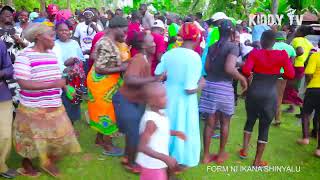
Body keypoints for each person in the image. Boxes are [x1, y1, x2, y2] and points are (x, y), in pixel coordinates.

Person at [13, 23, 81, 177]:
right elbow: (23, 83)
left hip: (54, 104)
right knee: (29, 139)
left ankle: (47, 161)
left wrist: (66, 88)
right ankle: (27, 164)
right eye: (51, 35)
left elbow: (56, 77)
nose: (54, 38)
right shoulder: (24, 55)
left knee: (55, 136)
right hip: (33, 107)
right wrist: (54, 84)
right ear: (38, 37)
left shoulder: (51, 54)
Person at [240, 30, 295, 166]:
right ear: (274, 41)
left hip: (254, 92)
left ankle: (245, 150)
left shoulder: (255, 53)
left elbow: (246, 71)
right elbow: (291, 74)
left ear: (261, 40)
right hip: (269, 94)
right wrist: (277, 75)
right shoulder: (282, 55)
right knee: (264, 127)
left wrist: (256, 72)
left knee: (250, 120)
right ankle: (257, 161)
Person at [113, 31, 165, 173]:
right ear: (143, 45)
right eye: (151, 41)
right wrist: (154, 79)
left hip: (135, 101)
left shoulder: (145, 59)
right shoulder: (139, 59)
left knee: (134, 131)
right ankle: (131, 163)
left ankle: (126, 157)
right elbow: (129, 79)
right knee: (134, 133)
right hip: (126, 100)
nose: (154, 43)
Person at [155, 22, 204, 169]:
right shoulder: (194, 57)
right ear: (196, 39)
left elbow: (158, 73)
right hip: (185, 100)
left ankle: (164, 156)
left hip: (168, 95)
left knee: (167, 125)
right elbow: (190, 89)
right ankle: (180, 158)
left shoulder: (170, 53)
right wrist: (201, 84)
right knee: (183, 126)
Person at [199, 19, 248, 164]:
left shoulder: (212, 46)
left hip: (210, 86)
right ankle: (220, 155)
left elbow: (207, 68)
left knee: (209, 123)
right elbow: (229, 68)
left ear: (219, 31)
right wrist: (242, 78)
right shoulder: (233, 47)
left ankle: (206, 156)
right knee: (225, 123)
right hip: (224, 87)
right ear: (232, 32)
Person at [87, 16, 128, 156]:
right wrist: (122, 68)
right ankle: (108, 146)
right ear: (116, 28)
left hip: (106, 81)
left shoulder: (109, 40)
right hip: (102, 82)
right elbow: (99, 68)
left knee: (103, 111)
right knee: (108, 112)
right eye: (124, 31)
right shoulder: (105, 43)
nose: (125, 34)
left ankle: (99, 139)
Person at [136, 82, 186, 180]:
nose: (167, 98)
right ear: (151, 102)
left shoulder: (160, 113)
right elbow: (141, 146)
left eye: (165, 94)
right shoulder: (151, 121)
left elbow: (161, 131)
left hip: (158, 160)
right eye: (163, 96)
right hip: (151, 164)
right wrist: (164, 157)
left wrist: (175, 133)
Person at [52, 22, 85, 123]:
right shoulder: (54, 44)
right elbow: (55, 63)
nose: (64, 32)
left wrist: (76, 62)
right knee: (64, 102)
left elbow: (81, 59)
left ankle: (72, 125)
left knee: (74, 100)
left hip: (75, 78)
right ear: (56, 32)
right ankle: (64, 126)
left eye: (66, 30)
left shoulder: (74, 43)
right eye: (61, 30)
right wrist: (66, 64)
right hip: (61, 78)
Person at [283, 26, 313, 114]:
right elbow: (310, 53)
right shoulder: (308, 42)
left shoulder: (297, 40)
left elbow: (300, 51)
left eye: (297, 30)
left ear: (300, 32)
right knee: (291, 88)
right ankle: (292, 107)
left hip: (295, 66)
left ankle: (301, 106)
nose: (295, 31)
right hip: (301, 67)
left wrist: (293, 56)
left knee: (289, 87)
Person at [296, 51, 320, 157]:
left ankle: (305, 138)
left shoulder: (316, 55)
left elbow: (309, 72)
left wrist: (309, 83)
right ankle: (319, 149)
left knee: (306, 113)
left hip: (314, 88)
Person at [0, 40, 17, 179]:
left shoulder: (0, 44)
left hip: (1, 94)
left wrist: (1, 73)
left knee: (5, 134)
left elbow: (9, 69)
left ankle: (1, 165)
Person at [272, 31, 296, 125]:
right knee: (279, 97)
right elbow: (291, 63)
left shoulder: (272, 46)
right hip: (283, 75)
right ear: (284, 38)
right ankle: (277, 118)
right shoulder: (290, 48)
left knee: (268, 95)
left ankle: (268, 116)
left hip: (271, 73)